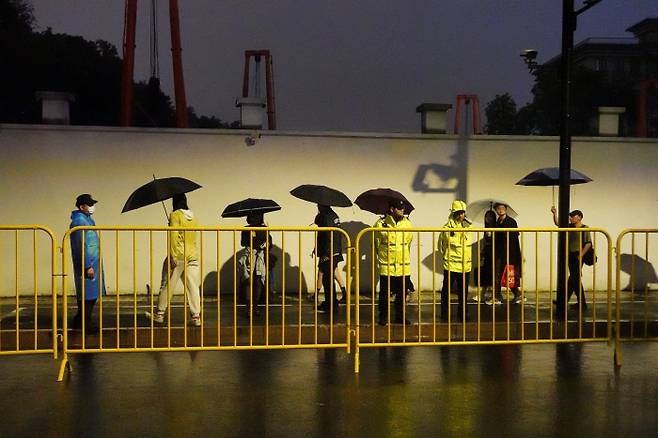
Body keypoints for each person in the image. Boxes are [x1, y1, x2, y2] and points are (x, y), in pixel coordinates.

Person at [152, 194, 201, 326]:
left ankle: (160, 314)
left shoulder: (175, 215)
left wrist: (172, 255)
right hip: (192, 255)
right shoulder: (193, 216)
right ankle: (196, 316)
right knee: (193, 287)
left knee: (167, 285)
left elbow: (174, 235)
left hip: (178, 255)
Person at [374, 199, 414, 325]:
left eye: (403, 208)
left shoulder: (408, 224)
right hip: (387, 266)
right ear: (392, 209)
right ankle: (383, 317)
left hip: (403, 265)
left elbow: (408, 243)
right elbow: (377, 243)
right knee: (384, 294)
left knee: (402, 293)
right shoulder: (380, 224)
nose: (402, 210)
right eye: (399, 208)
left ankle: (400, 317)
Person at [69, 193, 105, 331]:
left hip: (93, 262)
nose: (92, 207)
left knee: (91, 295)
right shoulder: (79, 221)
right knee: (87, 295)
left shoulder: (88, 220)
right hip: (87, 264)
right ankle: (85, 323)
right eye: (89, 205)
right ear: (81, 206)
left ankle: (81, 320)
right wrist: (87, 265)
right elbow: (80, 245)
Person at [551, 207, 591, 310]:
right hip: (571, 255)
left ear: (580, 217)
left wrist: (581, 255)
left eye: (573, 216)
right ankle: (576, 302)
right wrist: (554, 213)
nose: (571, 218)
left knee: (574, 278)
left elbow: (588, 244)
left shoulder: (585, 228)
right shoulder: (570, 226)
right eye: (571, 216)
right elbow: (558, 223)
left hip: (578, 255)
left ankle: (572, 302)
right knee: (574, 279)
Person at [438, 200, 472, 321]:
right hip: (451, 264)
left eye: (463, 212)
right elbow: (441, 245)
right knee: (446, 291)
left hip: (465, 265)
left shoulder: (469, 226)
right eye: (459, 212)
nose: (461, 215)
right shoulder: (447, 228)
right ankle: (445, 314)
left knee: (463, 293)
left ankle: (463, 314)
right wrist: (446, 257)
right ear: (454, 213)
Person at [238, 211, 275, 317]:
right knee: (249, 281)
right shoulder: (246, 228)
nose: (256, 218)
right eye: (253, 216)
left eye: (258, 216)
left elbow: (270, 244)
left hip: (260, 257)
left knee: (258, 281)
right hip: (250, 256)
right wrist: (253, 236)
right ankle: (248, 307)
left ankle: (256, 306)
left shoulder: (264, 228)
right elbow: (243, 242)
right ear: (249, 217)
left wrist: (266, 243)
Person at [314, 204, 346, 313]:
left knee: (327, 279)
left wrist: (327, 253)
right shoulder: (332, 215)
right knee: (328, 278)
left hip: (330, 252)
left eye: (318, 205)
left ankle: (330, 304)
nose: (317, 206)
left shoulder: (327, 217)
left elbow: (329, 235)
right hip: (334, 251)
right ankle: (332, 302)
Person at [489, 202, 523, 305]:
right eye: (498, 209)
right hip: (500, 253)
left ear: (506, 209)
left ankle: (517, 294)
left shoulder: (511, 222)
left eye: (502, 208)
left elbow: (513, 238)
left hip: (510, 253)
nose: (500, 210)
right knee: (498, 275)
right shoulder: (497, 222)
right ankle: (498, 296)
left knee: (509, 275)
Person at [473, 209, 496, 303]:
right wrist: (482, 252)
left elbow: (494, 241)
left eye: (490, 216)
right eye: (486, 216)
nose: (487, 218)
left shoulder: (495, 227)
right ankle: (483, 295)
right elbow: (486, 242)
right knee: (487, 275)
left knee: (492, 275)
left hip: (493, 254)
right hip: (488, 254)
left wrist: (491, 235)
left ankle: (488, 295)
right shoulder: (486, 228)